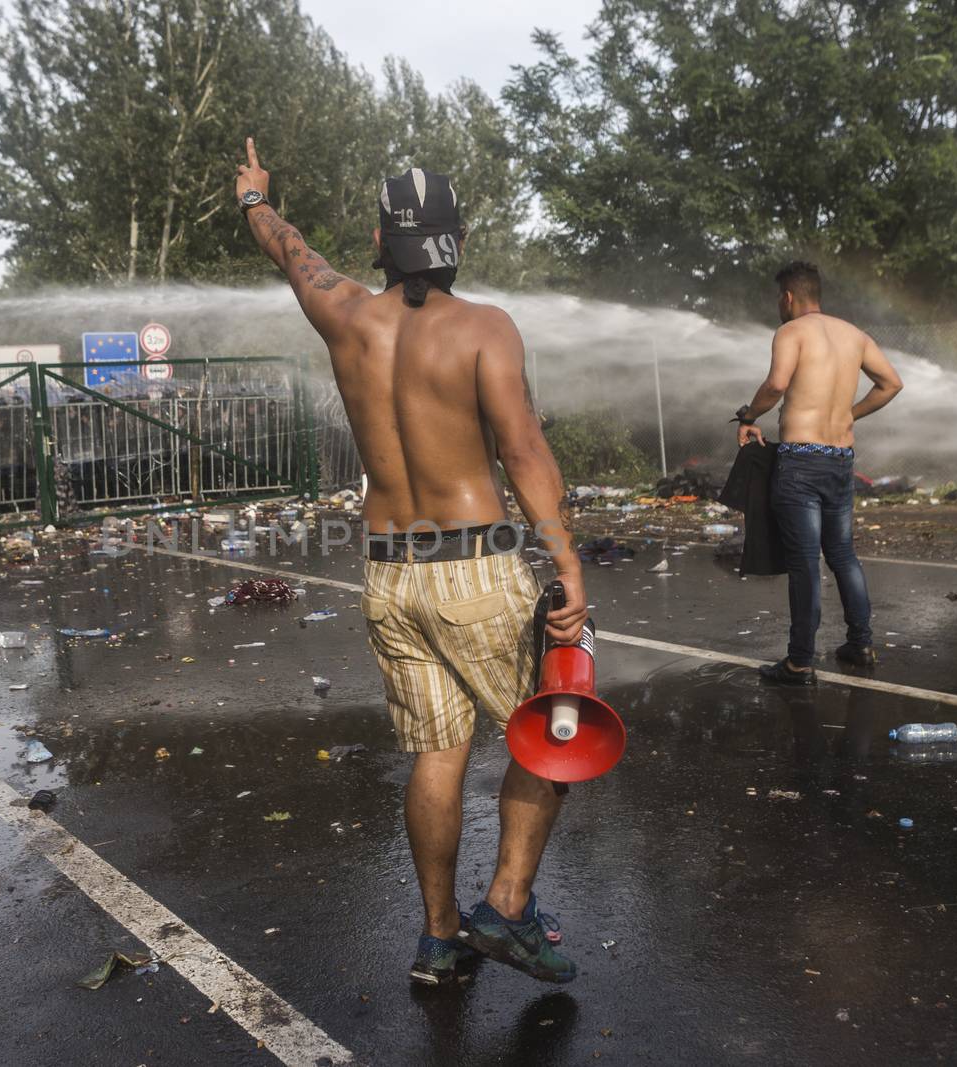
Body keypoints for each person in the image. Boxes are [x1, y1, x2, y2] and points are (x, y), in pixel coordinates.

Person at [236, 138, 586, 985]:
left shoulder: (346, 314)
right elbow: (525, 450)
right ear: (455, 238)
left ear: (381, 240)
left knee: (437, 751)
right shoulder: (483, 328)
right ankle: (505, 908)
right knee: (549, 737)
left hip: (390, 572)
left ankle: (438, 939)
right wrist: (567, 562)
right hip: (475, 567)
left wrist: (255, 200)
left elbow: (293, 253)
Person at [735, 261, 902, 684]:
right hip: (839, 458)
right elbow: (891, 384)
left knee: (805, 563)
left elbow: (776, 385)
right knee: (843, 554)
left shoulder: (790, 332)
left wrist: (748, 415)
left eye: (779, 298)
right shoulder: (854, 335)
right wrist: (850, 413)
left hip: (800, 462)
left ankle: (799, 662)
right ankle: (860, 643)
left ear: (788, 297)